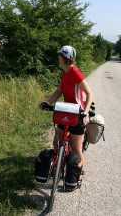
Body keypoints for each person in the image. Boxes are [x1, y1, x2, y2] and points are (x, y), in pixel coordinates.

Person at [35, 45, 94, 192]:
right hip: (65, 112)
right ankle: (59, 163)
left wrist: (85, 112)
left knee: (76, 149)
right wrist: (48, 102)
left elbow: (90, 93)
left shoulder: (75, 72)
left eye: (60, 55)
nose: (58, 58)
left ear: (65, 58)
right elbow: (59, 90)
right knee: (57, 142)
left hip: (78, 114)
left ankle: (77, 174)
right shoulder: (65, 73)